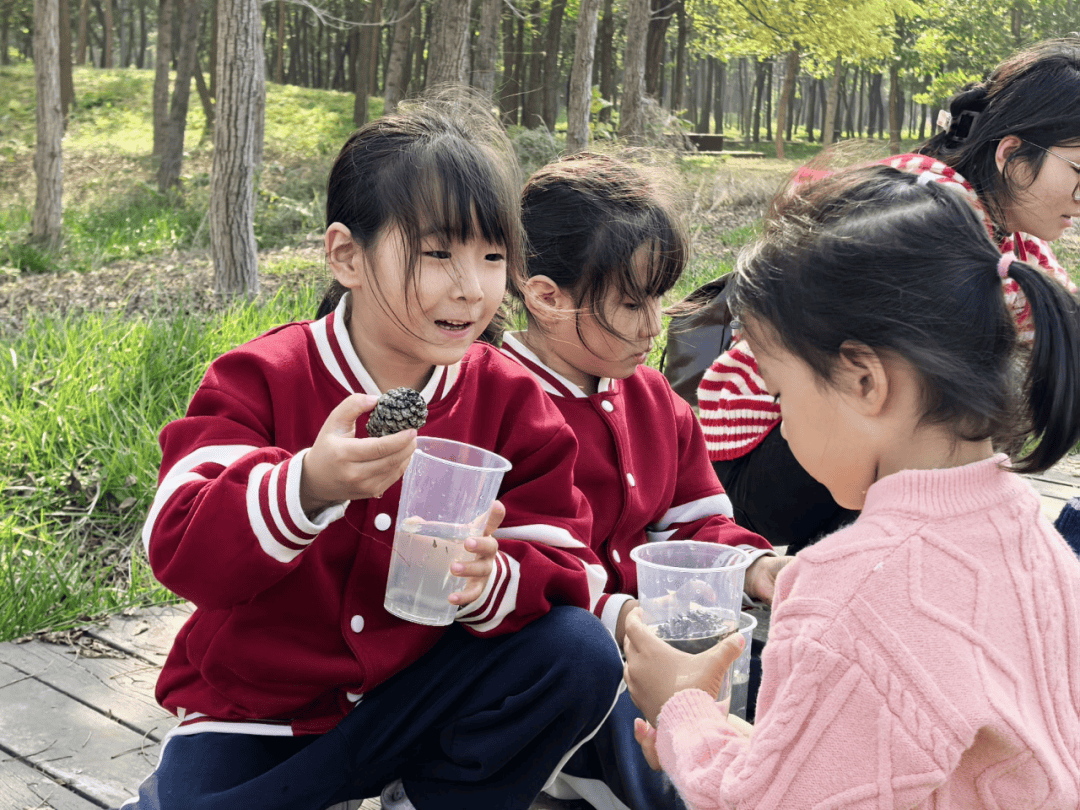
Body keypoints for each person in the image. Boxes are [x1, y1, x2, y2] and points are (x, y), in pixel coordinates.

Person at [120, 95, 625, 810]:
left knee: (578, 653)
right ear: (346, 255)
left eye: (491, 257)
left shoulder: (508, 398)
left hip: (417, 704)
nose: (470, 287)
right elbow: (177, 542)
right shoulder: (267, 375)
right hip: (261, 715)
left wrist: (490, 580)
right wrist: (306, 486)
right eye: (437, 253)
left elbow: (561, 555)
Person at [623, 164, 1080, 809]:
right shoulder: (1035, 537)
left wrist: (683, 712)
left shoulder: (854, 590)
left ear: (865, 379)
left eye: (780, 395)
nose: (783, 423)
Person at [697, 37, 1080, 554]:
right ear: (1012, 155)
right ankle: (875, 559)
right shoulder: (920, 201)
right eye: (1079, 170)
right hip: (757, 457)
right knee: (956, 391)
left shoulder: (1004, 228)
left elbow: (1060, 308)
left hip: (832, 437)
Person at [498, 153, 790, 810]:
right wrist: (633, 623)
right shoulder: (500, 397)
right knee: (647, 701)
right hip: (554, 660)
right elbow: (535, 569)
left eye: (658, 298)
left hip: (644, 637)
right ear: (546, 295)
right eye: (631, 304)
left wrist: (756, 565)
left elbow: (691, 522)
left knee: (777, 667)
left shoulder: (652, 397)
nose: (654, 326)